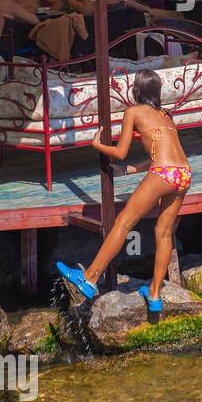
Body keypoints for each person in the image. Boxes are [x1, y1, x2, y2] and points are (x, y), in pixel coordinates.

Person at [55, 70, 192, 313]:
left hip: (162, 173)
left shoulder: (133, 111)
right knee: (163, 233)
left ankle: (88, 278)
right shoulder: (166, 115)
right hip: (183, 173)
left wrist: (97, 144)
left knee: (123, 223)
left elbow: (120, 152)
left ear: (135, 91)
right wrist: (130, 170)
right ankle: (155, 295)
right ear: (157, 92)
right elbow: (165, 155)